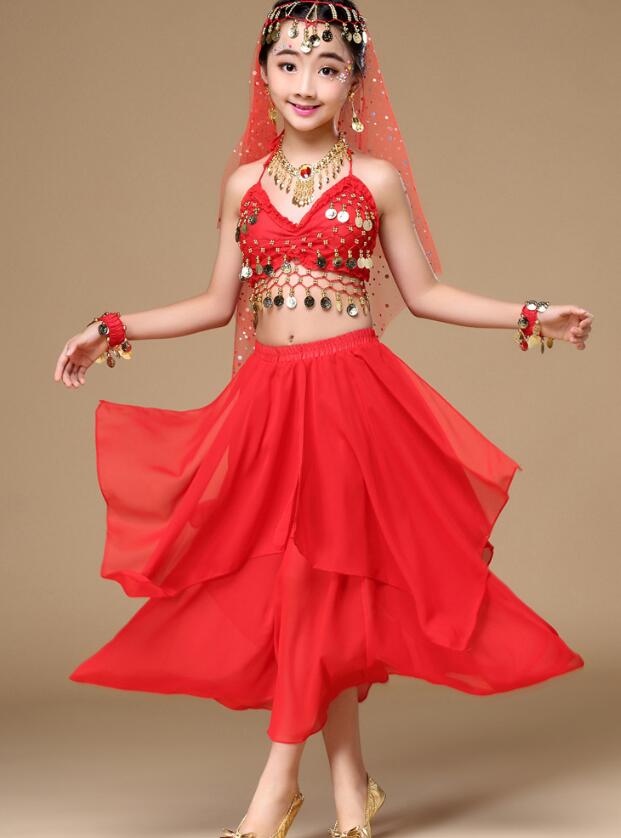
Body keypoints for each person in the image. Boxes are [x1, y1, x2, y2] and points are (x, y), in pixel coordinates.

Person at [53, 3, 593, 838]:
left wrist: (530, 314)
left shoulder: (375, 181)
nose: (306, 82)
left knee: (313, 578)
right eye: (290, 64)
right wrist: (111, 326)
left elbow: (424, 295)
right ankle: (350, 789)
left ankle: (275, 789)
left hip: (350, 402)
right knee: (312, 584)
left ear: (354, 81)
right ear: (263, 74)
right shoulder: (243, 185)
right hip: (270, 404)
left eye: (328, 66)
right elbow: (214, 304)